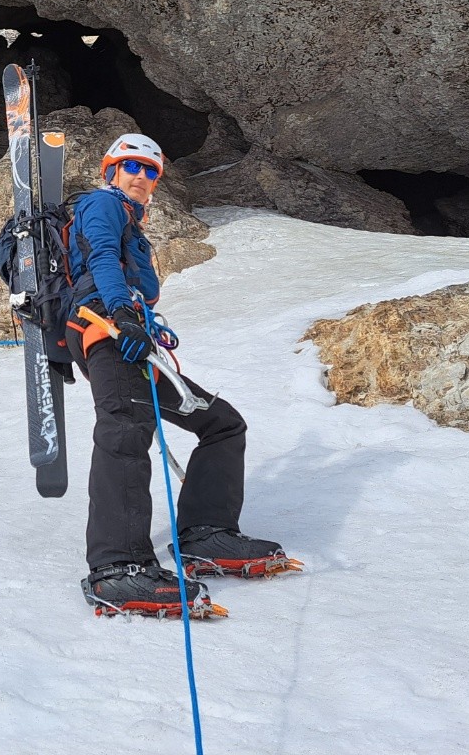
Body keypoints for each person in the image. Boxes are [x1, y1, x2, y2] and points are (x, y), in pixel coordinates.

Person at [65, 134, 296, 615]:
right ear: (110, 171)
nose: (142, 178)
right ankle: (118, 568)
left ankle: (206, 535)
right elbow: (102, 257)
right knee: (126, 430)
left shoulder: (133, 220)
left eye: (151, 171)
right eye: (131, 166)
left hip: (128, 336)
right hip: (105, 328)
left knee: (221, 424)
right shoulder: (101, 205)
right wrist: (122, 313)